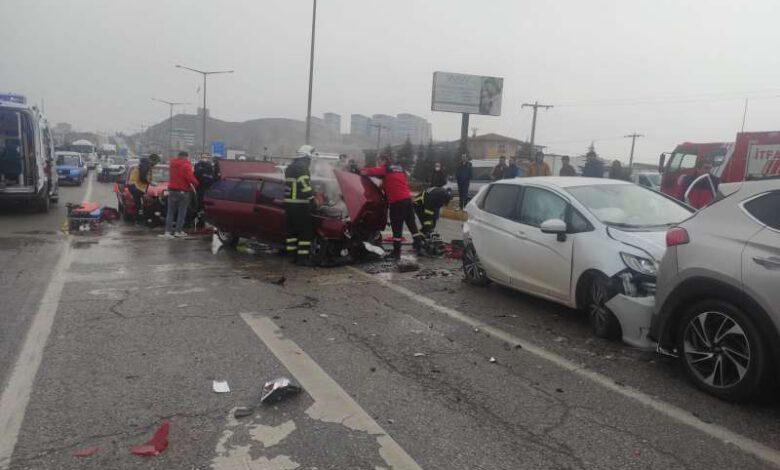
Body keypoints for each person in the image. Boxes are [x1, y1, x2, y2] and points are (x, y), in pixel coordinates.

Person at [361, 153, 423, 259]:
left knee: (397, 226)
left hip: (397, 201)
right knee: (411, 224)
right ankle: (419, 247)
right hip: (407, 199)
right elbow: (390, 183)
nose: (378, 164)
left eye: (379, 161)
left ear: (384, 160)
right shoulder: (399, 169)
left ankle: (396, 252)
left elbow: (370, 171)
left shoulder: (386, 169)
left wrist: (359, 170)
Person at [284, 145, 315, 265]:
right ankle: (302, 259)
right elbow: (304, 184)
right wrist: (312, 198)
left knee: (291, 232)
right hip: (300, 204)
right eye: (309, 159)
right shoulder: (302, 168)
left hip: (289, 205)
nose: (310, 161)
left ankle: (292, 257)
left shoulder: (289, 168)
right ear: (306, 157)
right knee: (305, 232)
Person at [161, 151, 198, 239]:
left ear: (178, 156)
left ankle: (168, 232)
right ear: (185, 156)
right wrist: (196, 183)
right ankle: (178, 231)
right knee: (182, 212)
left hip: (172, 190)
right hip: (183, 191)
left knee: (170, 212)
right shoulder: (186, 165)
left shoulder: (172, 164)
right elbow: (190, 178)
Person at [127, 153, 159, 224]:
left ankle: (139, 219)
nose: (156, 164)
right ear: (154, 161)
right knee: (140, 205)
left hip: (133, 187)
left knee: (139, 205)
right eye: (156, 162)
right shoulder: (146, 166)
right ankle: (139, 220)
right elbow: (143, 178)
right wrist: (150, 182)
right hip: (137, 188)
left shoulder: (140, 166)